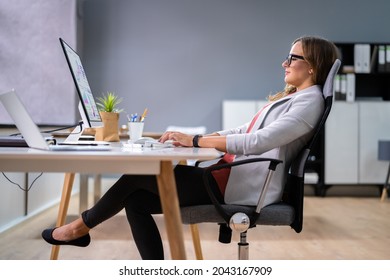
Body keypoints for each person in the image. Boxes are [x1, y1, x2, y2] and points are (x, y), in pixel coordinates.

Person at [42, 35, 339, 259]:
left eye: (292, 57)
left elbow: (258, 142)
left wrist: (197, 141)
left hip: (239, 188)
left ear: (311, 66)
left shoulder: (308, 102)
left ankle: (78, 229)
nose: (284, 63)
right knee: (136, 200)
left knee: (136, 178)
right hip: (228, 177)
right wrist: (199, 137)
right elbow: (245, 130)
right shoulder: (295, 98)